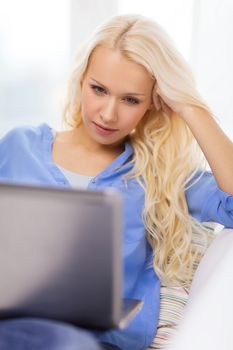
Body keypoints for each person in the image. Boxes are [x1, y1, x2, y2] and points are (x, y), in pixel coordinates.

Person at [0, 13, 233, 350]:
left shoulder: (159, 174)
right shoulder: (18, 147)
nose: (108, 113)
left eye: (130, 100)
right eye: (99, 90)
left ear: (154, 103)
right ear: (81, 80)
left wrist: (189, 107)